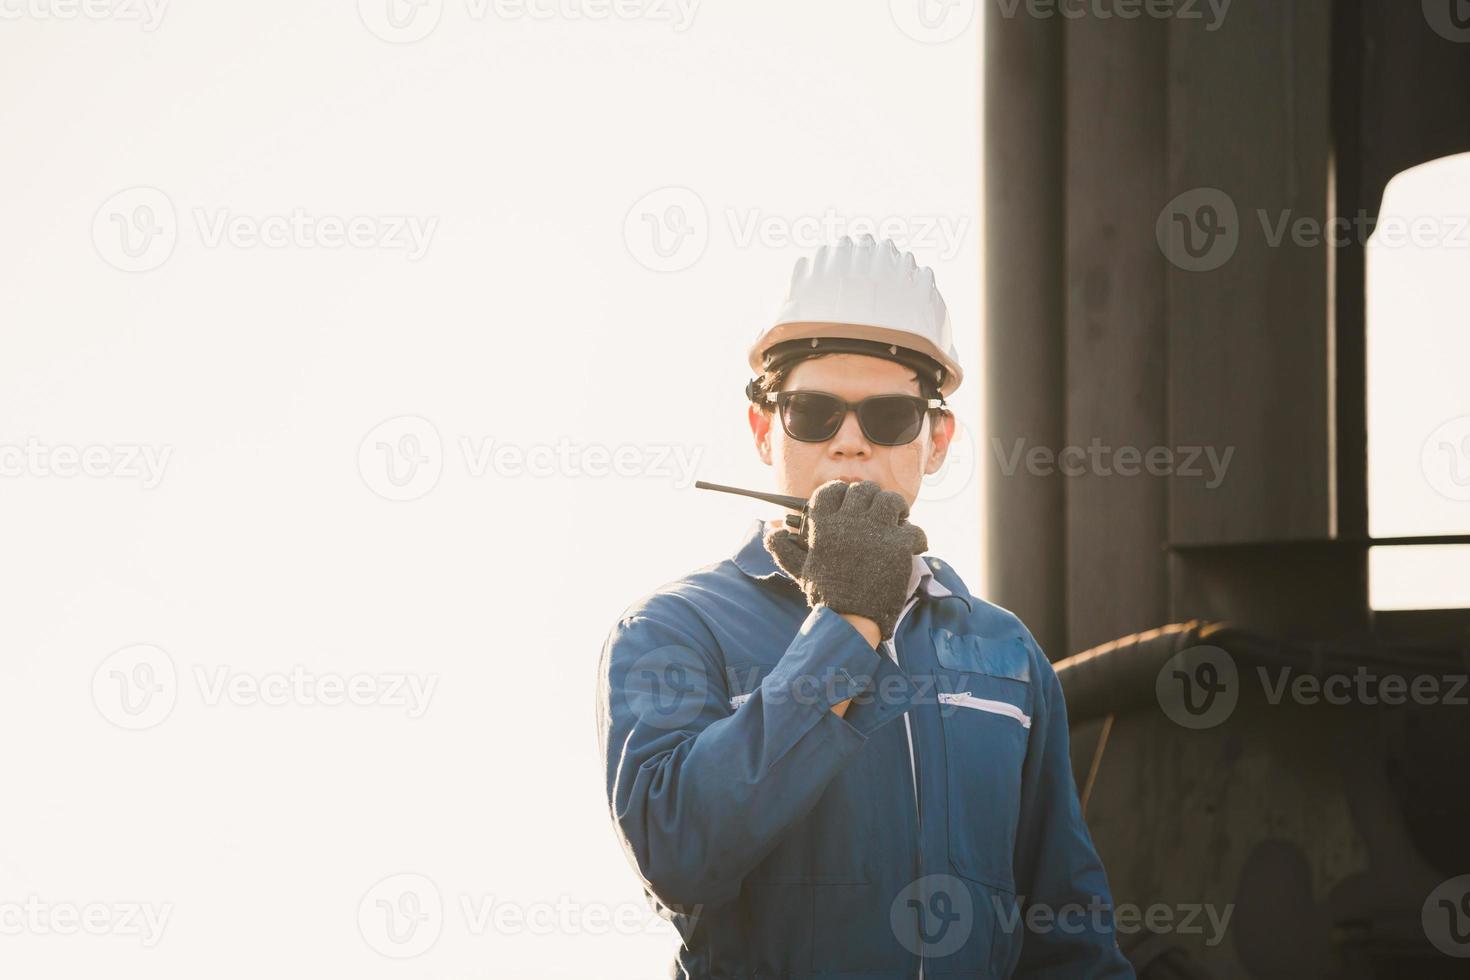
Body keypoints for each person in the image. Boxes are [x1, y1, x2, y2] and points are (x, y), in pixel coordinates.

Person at [595, 234, 1133, 977]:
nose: (849, 442)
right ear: (762, 429)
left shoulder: (1006, 653)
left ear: (936, 439)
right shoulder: (673, 631)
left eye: (887, 418)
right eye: (813, 413)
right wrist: (846, 623)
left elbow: (1068, 934)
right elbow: (682, 854)